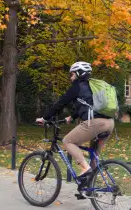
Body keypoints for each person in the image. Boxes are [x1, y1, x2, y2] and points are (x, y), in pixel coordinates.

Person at [36, 61, 114, 189]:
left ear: (79, 73)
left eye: (72, 74)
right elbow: (88, 105)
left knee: (67, 141)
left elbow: (60, 103)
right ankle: (90, 188)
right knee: (94, 157)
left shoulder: (77, 87)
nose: (71, 77)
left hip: (95, 124)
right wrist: (72, 117)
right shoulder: (92, 86)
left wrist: (45, 118)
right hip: (109, 123)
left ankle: (85, 168)